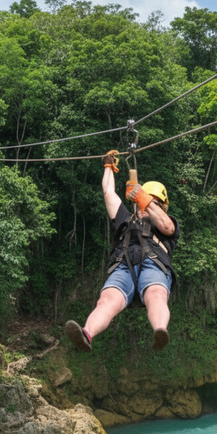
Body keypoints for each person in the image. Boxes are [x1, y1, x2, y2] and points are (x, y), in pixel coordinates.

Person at [65, 150, 180, 352]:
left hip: (153, 264)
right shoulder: (125, 219)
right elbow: (109, 193)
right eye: (144, 200)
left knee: (156, 294)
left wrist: (144, 198)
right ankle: (86, 334)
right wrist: (109, 167)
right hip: (123, 265)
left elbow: (167, 227)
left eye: (154, 202)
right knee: (107, 300)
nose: (147, 206)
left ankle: (160, 330)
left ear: (161, 206)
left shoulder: (166, 225)